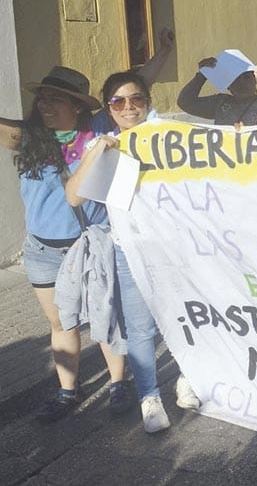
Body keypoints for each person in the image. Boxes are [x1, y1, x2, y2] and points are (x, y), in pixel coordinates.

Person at [65, 71, 201, 433]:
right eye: (118, 101)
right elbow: (74, 197)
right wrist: (96, 151)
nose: (129, 107)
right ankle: (149, 397)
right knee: (139, 328)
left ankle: (188, 377)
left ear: (148, 102)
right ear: (108, 108)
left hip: (171, 247)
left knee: (182, 316)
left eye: (136, 99)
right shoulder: (105, 147)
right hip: (128, 250)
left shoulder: (169, 137)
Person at [0, 67, 135, 422]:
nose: (45, 105)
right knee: (61, 323)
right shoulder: (28, 138)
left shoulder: (99, 131)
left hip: (89, 245)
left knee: (106, 315)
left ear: (77, 106)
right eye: (42, 98)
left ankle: (119, 383)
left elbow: (135, 85)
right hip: (42, 251)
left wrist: (163, 53)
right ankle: (67, 391)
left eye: (56, 99)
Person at [177, 53, 257, 126]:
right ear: (228, 86)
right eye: (235, 79)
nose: (242, 84)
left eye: (246, 77)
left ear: (254, 80)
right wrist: (202, 75)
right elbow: (185, 103)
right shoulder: (220, 103)